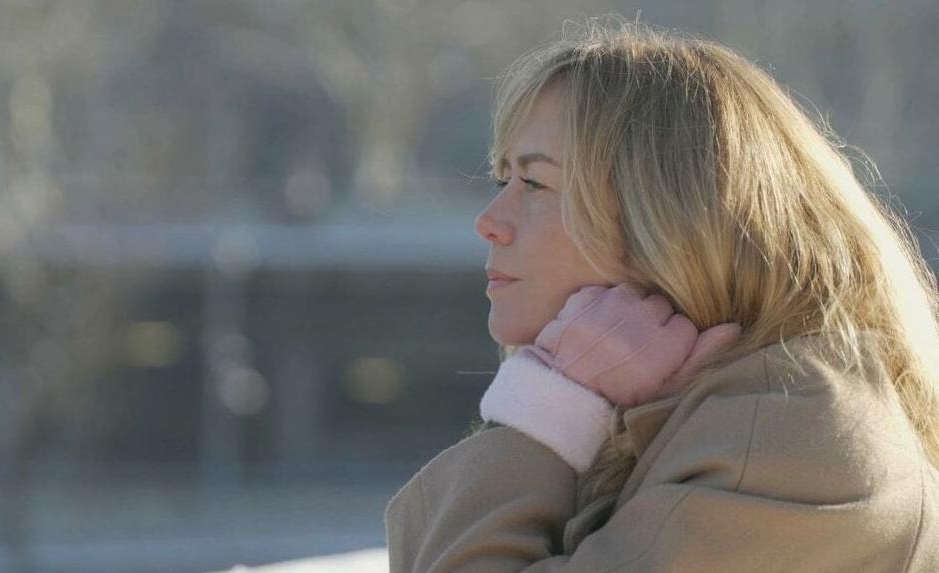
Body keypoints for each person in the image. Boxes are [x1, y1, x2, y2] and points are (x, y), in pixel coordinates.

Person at [384, 17, 939, 572]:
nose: (488, 222)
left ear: (669, 216)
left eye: (534, 182)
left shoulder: (784, 442)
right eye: (503, 179)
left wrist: (545, 408)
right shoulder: (736, 419)